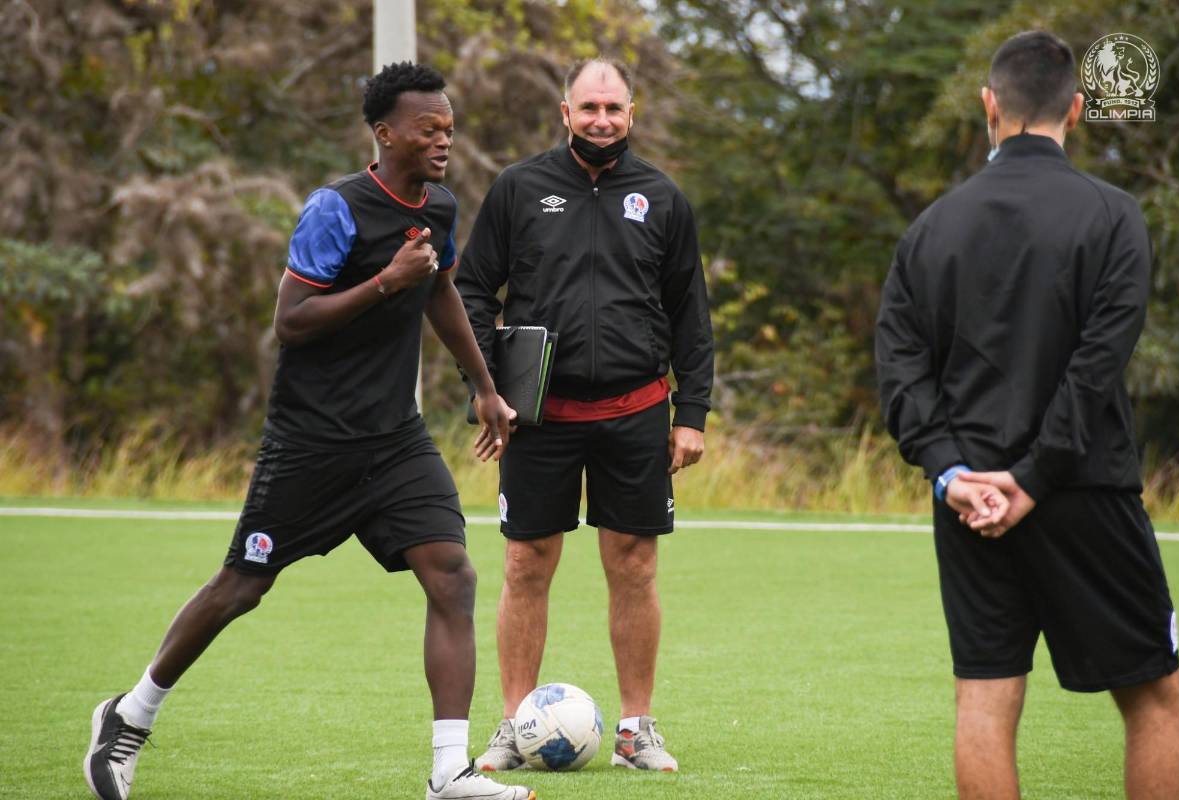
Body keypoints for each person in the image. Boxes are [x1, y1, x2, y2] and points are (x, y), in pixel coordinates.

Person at [82, 62, 535, 800]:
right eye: (429, 129)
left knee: (452, 573)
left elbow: (441, 289)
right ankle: (129, 716)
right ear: (385, 134)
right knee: (242, 586)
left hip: (395, 440)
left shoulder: (442, 207)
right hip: (311, 442)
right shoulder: (336, 208)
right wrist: (384, 280)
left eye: (449, 128)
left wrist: (483, 386)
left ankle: (449, 772)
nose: (444, 140)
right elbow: (290, 324)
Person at [876, 31, 1179, 800]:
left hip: (970, 503)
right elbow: (1096, 367)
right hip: (1084, 490)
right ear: (1077, 111)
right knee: (1154, 695)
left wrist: (952, 473)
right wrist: (1035, 476)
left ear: (990, 104)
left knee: (985, 696)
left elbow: (899, 367)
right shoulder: (1115, 217)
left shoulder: (930, 229)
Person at [454, 57, 713, 773]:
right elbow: (471, 290)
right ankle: (513, 724)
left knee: (634, 565)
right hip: (538, 417)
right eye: (588, 107)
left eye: (614, 108)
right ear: (564, 112)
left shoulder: (662, 198)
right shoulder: (518, 189)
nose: (602, 119)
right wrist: (486, 383)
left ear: (634, 111)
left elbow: (692, 313)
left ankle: (635, 730)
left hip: (636, 411)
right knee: (525, 562)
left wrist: (690, 414)